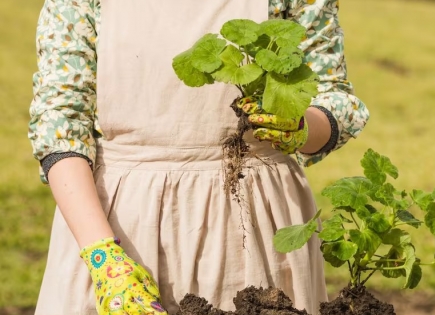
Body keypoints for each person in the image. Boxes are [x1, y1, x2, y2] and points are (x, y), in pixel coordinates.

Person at [28, 0, 369, 314]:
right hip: (116, 223)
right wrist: (103, 258)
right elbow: (61, 123)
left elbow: (334, 96)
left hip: (257, 224)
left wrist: (300, 127)